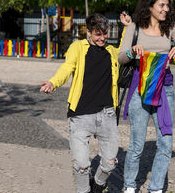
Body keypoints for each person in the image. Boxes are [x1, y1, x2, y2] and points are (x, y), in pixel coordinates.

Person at [40, 13, 130, 193]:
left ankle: (97, 186)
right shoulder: (77, 48)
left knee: (110, 163)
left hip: (107, 115)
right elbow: (67, 67)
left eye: (105, 33)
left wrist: (127, 27)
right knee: (81, 165)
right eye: (98, 34)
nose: (103, 38)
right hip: (80, 115)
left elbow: (124, 50)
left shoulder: (111, 51)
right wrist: (53, 82)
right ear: (88, 32)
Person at [119, 0, 175, 193]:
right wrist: (131, 51)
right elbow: (120, 57)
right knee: (136, 144)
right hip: (139, 89)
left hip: (165, 89)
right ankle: (129, 186)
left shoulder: (170, 27)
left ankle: (155, 188)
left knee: (166, 143)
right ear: (150, 6)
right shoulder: (134, 27)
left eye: (167, 5)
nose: (166, 9)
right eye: (162, 5)